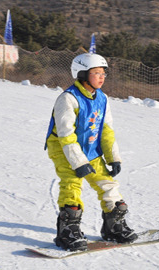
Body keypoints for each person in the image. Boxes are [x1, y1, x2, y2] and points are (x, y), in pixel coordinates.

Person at [44, 53, 138, 251]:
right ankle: (68, 231)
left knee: (108, 184)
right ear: (82, 74)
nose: (102, 77)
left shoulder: (102, 98)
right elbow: (66, 135)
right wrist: (78, 162)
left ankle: (113, 225)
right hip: (64, 149)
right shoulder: (68, 99)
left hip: (90, 148)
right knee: (72, 184)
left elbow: (106, 130)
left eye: (104, 73)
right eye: (96, 73)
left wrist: (113, 157)